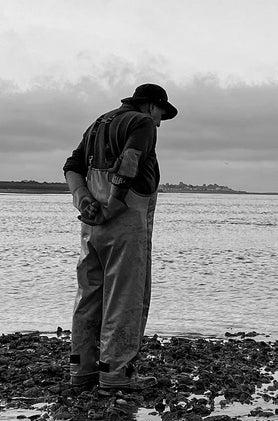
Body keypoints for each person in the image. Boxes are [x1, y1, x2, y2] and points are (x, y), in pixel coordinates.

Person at [62, 83, 178, 393]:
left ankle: (82, 369)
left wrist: (83, 199)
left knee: (89, 295)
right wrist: (113, 204)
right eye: (161, 115)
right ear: (151, 106)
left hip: (91, 226)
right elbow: (129, 161)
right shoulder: (140, 123)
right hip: (123, 221)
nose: (159, 123)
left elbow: (71, 166)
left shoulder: (100, 122)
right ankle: (116, 373)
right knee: (124, 296)